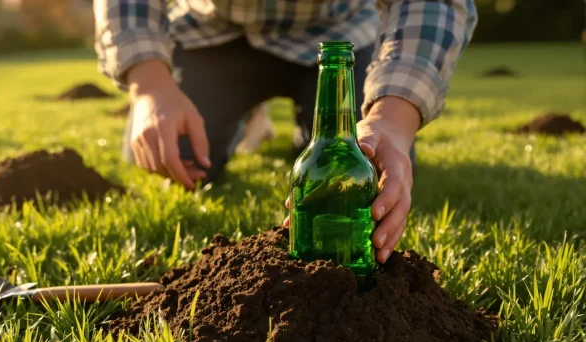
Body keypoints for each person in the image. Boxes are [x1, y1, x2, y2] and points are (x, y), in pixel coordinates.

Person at [93, 0, 477, 263]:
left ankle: (311, 128)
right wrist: (150, 86)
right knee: (174, 151)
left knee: (370, 168)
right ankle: (248, 115)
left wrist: (390, 121)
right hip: (214, 34)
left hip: (338, 36)